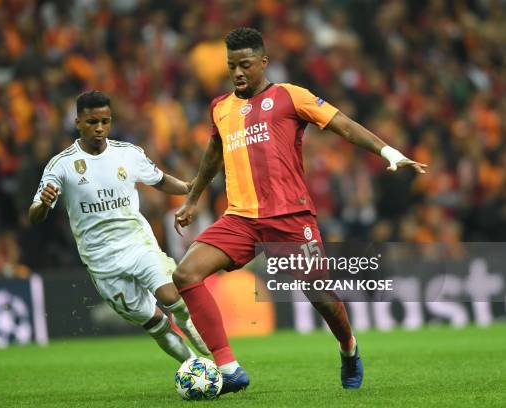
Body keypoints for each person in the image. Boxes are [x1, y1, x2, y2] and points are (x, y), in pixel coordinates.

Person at [173, 27, 428, 394]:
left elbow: (342, 125)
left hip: (290, 218)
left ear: (263, 62)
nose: (238, 73)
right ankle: (229, 368)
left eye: (245, 64)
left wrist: (388, 152)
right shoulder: (220, 108)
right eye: (232, 66)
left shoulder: (290, 97)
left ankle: (348, 347)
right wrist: (194, 198)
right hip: (240, 218)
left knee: (321, 296)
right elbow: (214, 153)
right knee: (186, 274)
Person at [29, 90, 209, 363]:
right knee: (156, 323)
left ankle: (189, 326)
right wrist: (43, 203)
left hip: (137, 244)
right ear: (78, 122)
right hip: (102, 261)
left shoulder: (128, 154)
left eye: (105, 121)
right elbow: (34, 216)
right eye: (92, 122)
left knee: (171, 296)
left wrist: (185, 187)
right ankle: (194, 366)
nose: (99, 128)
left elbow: (159, 180)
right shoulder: (61, 165)